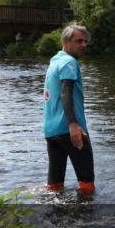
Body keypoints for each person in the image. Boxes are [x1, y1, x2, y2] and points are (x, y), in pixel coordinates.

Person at [43, 24, 94, 194]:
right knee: (87, 185)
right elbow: (66, 93)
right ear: (66, 42)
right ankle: (87, 216)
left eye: (86, 41)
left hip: (52, 132)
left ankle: (56, 217)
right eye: (79, 41)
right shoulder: (69, 62)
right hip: (71, 130)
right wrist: (73, 124)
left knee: (54, 186)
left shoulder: (55, 61)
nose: (84, 45)